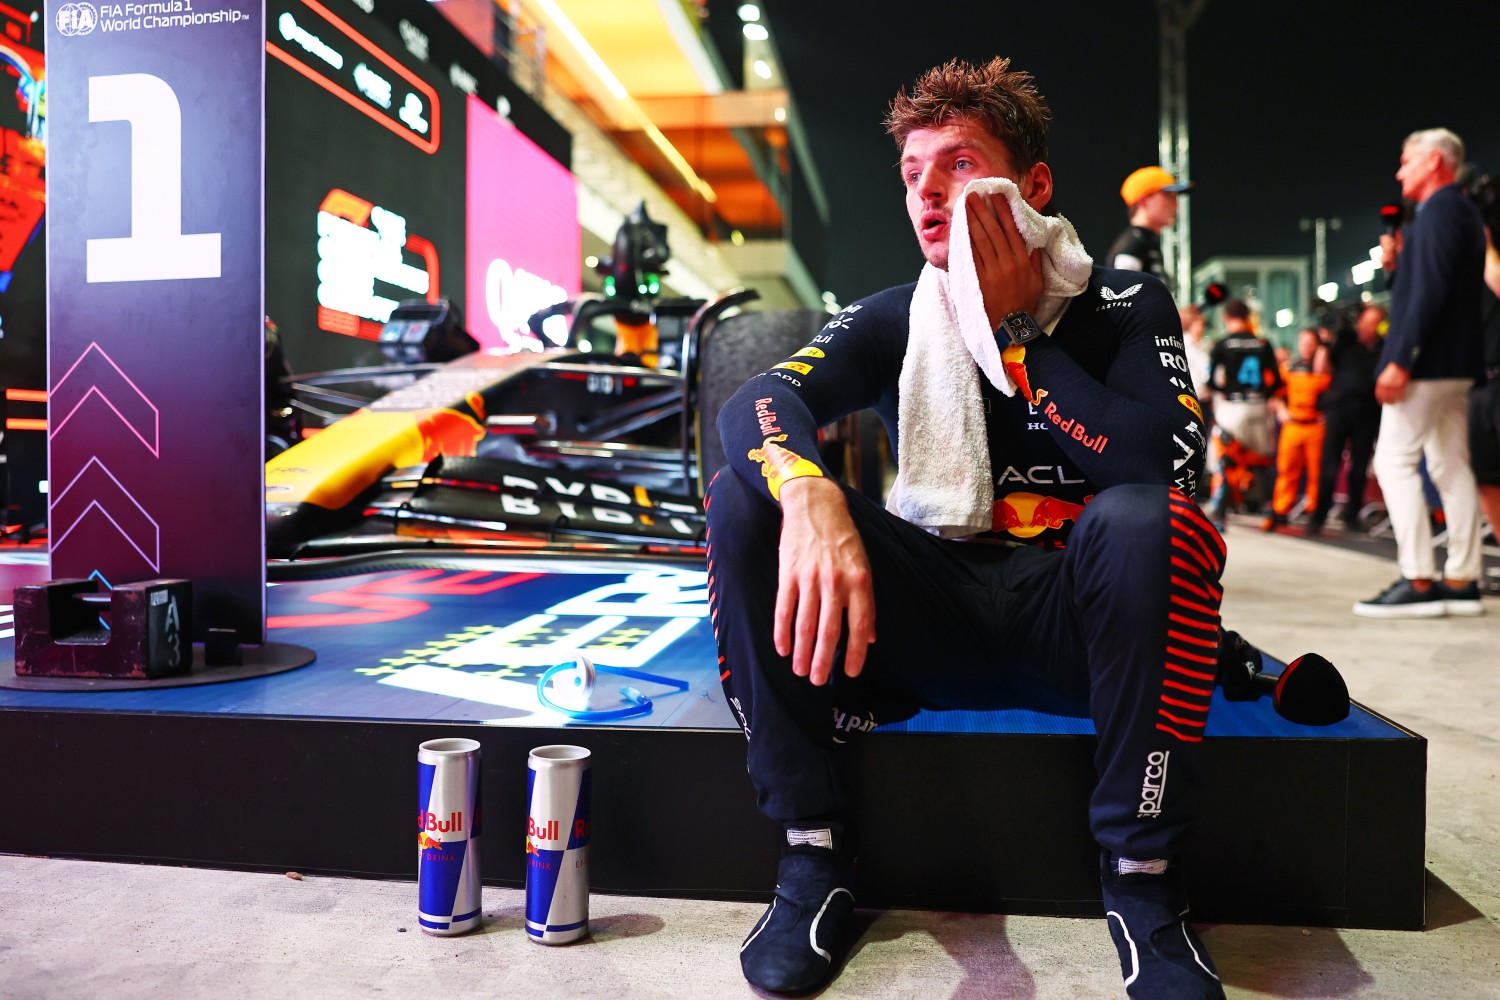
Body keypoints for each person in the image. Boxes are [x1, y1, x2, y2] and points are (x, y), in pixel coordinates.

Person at [707, 56, 1256, 1000]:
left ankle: (1142, 886)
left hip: (1080, 631)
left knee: (1144, 520)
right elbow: (758, 397)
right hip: (928, 622)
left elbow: (1164, 464)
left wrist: (1016, 335)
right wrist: (811, 491)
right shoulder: (894, 317)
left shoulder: (1125, 306)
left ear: (1032, 186)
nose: (927, 193)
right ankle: (813, 855)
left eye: (957, 164)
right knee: (743, 493)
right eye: (913, 173)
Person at [1356, 128, 1487, 618]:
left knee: (1394, 462)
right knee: (1451, 467)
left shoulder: (1437, 212)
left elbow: (1428, 292)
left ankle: (1418, 578)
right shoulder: (1460, 211)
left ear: (1434, 161)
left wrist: (1400, 358)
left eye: (1407, 161)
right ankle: (1461, 578)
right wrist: (1397, 268)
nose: (1400, 171)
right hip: (1455, 362)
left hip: (1426, 364)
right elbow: (1433, 286)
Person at [1309, 304, 1385, 534]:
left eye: (1375, 323)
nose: (1369, 328)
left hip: (1368, 412)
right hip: (1339, 410)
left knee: (1359, 466)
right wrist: (1325, 340)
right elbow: (1320, 368)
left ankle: (1352, 516)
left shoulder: (1384, 346)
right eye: (1367, 322)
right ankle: (1318, 516)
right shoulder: (1345, 340)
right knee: (1329, 464)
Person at [1205, 300, 1282, 525]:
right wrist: (1263, 395)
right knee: (1260, 460)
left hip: (1233, 408)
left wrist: (1226, 391)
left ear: (1226, 317)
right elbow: (1276, 380)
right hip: (1258, 407)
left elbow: (1210, 380)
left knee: (1226, 458)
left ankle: (1220, 512)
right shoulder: (1262, 342)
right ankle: (1270, 509)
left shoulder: (1222, 344)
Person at [1265, 328, 1332, 530]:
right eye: (1303, 343)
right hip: (1293, 425)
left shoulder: (1325, 370)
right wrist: (1282, 409)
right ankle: (1281, 510)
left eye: (1311, 344)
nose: (1306, 347)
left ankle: (1314, 512)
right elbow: (1274, 394)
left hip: (1315, 426)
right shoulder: (1289, 368)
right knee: (1286, 470)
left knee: (1316, 473)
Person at [1105, 165, 1191, 285]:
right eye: (1169, 195)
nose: (1176, 205)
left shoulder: (1146, 241)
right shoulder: (1133, 244)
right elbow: (1124, 299)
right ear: (1144, 200)